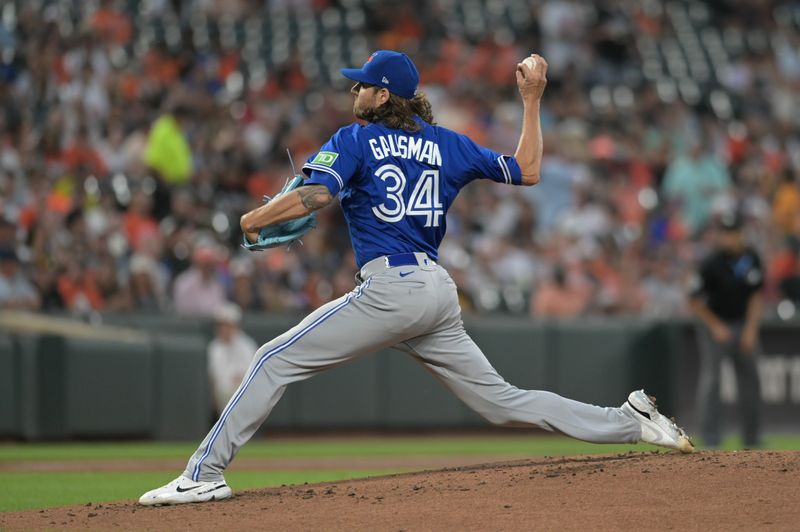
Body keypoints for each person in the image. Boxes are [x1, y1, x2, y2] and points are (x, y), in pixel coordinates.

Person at [139, 50, 693, 506]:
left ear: (382, 96)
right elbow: (527, 170)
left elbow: (317, 194)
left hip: (392, 289)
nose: (354, 92)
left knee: (271, 359)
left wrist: (255, 217)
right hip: (436, 294)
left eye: (362, 86)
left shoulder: (356, 139)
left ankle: (205, 472)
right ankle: (631, 422)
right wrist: (531, 100)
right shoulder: (447, 143)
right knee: (503, 402)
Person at [688, 212, 763, 448]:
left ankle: (752, 440)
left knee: (751, 382)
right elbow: (693, 300)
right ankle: (711, 440)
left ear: (741, 233)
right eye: (725, 233)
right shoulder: (711, 262)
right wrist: (716, 326)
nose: (728, 238)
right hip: (716, 326)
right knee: (712, 382)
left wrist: (751, 329)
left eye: (732, 233)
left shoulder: (751, 258)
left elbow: (756, 296)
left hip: (743, 324)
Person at [207, 303, 259, 416]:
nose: (223, 329)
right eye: (221, 325)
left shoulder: (247, 344)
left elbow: (252, 374)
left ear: (235, 326)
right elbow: (216, 376)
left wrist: (239, 379)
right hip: (223, 393)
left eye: (227, 325)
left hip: (244, 391)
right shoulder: (214, 347)